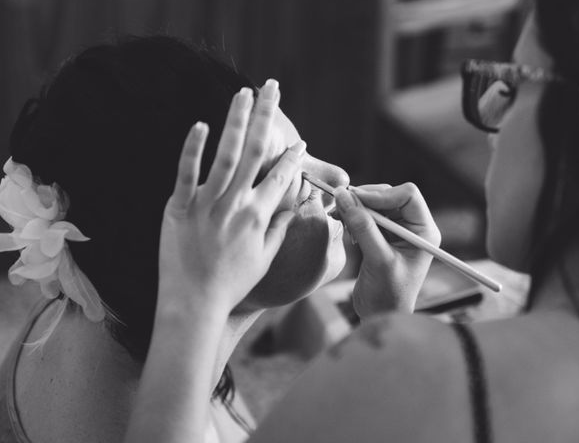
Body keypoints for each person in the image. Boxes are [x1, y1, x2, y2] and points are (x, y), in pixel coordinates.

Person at [125, 0, 579, 441]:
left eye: (513, 86)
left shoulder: (396, 377)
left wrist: (190, 302)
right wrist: (395, 329)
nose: (489, 113)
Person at [0, 36, 350, 443]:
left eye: (303, 155)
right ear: (198, 254)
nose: (339, 178)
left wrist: (389, 324)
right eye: (294, 182)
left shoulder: (92, 289)